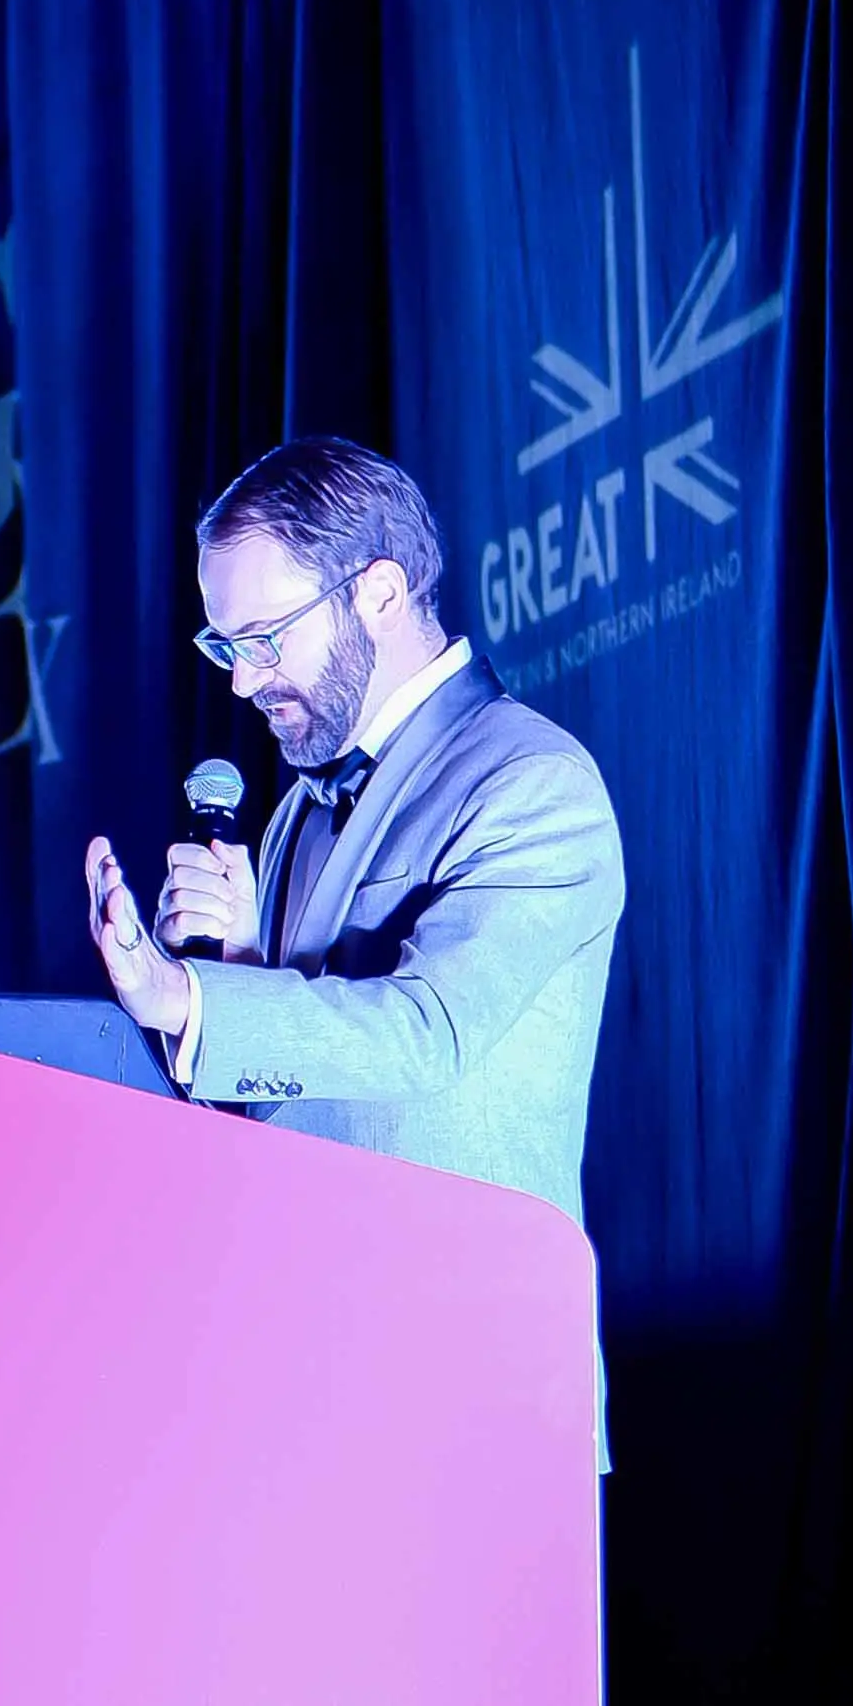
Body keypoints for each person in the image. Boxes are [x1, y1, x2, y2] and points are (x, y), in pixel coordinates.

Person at [83, 437, 625, 1458]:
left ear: (378, 590)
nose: (243, 682)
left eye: (265, 637)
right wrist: (236, 971)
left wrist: (193, 1003)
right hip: (300, 1388)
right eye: (224, 646)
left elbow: (427, 1033)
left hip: (472, 1406)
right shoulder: (292, 814)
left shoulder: (533, 780)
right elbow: (290, 1093)